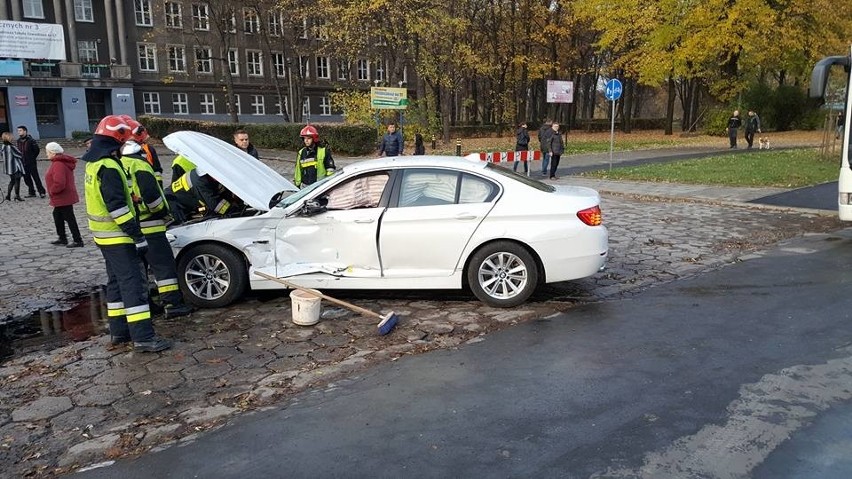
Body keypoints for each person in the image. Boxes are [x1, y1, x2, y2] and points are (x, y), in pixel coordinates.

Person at [82, 115, 172, 352]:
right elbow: (118, 209)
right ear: (118, 138)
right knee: (135, 285)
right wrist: (137, 236)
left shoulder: (95, 163)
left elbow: (107, 200)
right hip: (119, 236)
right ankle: (144, 337)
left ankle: (119, 332)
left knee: (116, 284)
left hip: (103, 236)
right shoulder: (110, 166)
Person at [120, 138, 194, 319]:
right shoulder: (141, 166)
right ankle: (173, 304)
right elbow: (153, 198)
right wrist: (162, 211)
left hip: (130, 227)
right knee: (164, 268)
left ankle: (148, 305)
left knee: (139, 270)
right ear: (141, 153)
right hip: (151, 226)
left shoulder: (119, 165)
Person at [165, 168, 240, 224]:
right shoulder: (200, 182)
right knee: (181, 227)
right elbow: (216, 205)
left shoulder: (204, 173)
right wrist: (234, 210)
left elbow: (222, 192)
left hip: (182, 201)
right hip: (174, 204)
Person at [44, 142, 84, 248]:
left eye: (47, 152)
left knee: (69, 217)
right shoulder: (59, 162)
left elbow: (60, 182)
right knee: (57, 216)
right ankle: (62, 238)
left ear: (52, 152)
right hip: (63, 196)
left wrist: (53, 191)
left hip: (62, 196)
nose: (46, 154)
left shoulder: (58, 164)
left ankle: (77, 240)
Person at [16, 125, 45, 198]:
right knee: (27, 178)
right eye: (18, 131)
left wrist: (32, 158)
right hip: (23, 163)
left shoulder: (31, 140)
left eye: (20, 130)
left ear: (25, 131)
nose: (19, 132)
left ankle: (41, 192)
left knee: (36, 177)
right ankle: (31, 192)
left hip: (31, 162)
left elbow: (36, 150)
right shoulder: (19, 141)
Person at [2, 132, 25, 202]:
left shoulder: (3, 146)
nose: (12, 137)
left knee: (12, 181)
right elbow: (19, 154)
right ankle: (17, 196)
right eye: (11, 137)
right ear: (8, 138)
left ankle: (8, 196)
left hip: (8, 167)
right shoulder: (11, 147)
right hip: (15, 167)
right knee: (17, 181)